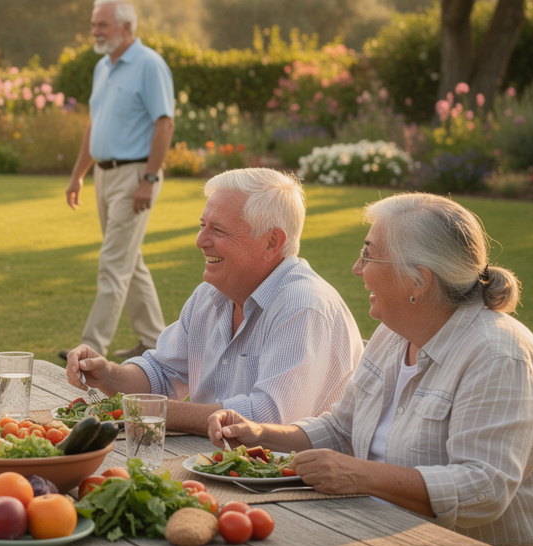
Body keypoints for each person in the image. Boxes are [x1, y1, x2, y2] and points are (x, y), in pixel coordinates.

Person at [208, 193, 533, 546]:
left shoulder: (498, 356)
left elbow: (483, 489)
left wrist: (359, 475)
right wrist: (260, 433)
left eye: (369, 255)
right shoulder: (394, 333)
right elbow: (341, 428)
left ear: (418, 281)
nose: (357, 268)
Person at [65, 168, 363, 434]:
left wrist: (151, 411)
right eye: (202, 225)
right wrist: (108, 374)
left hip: (292, 476)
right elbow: (162, 374)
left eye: (218, 230)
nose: (200, 241)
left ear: (272, 242)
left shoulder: (303, 306)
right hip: (222, 463)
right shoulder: (211, 295)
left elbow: (268, 418)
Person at [62, 0, 174, 362]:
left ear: (126, 27)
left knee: (113, 262)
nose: (94, 31)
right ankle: (154, 340)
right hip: (104, 176)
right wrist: (78, 175)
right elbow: (94, 125)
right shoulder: (102, 67)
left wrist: (149, 178)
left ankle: (91, 347)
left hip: (135, 174)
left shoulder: (149, 65)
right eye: (93, 24)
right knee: (129, 260)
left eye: (102, 24)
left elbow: (165, 123)